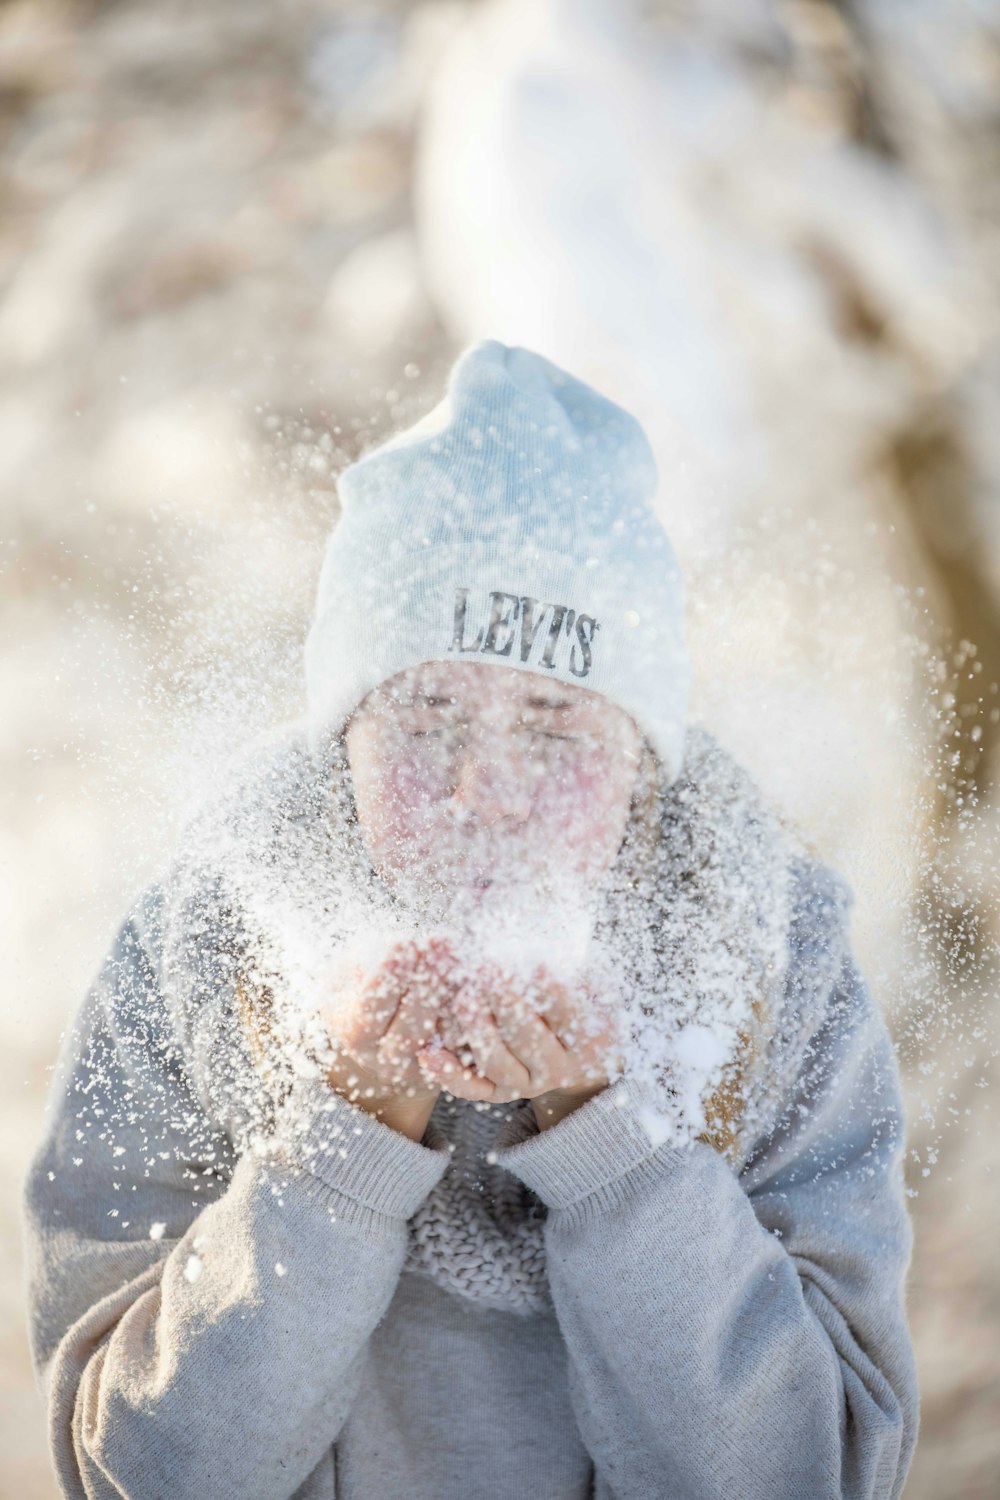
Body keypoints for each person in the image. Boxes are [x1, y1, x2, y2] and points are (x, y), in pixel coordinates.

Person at [23, 340, 919, 1499]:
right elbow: (134, 1470)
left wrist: (611, 1147)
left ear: (639, 766)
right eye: (428, 713)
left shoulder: (769, 969)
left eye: (551, 725)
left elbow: (816, 1473)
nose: (482, 790)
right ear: (345, 740)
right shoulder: (201, 951)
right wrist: (341, 1149)